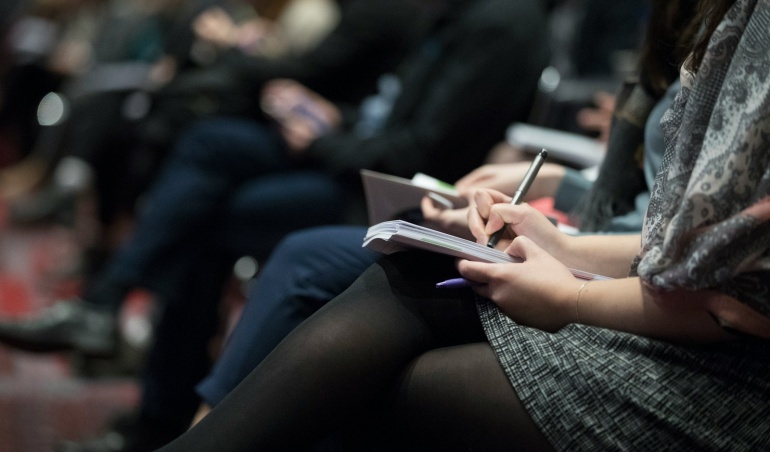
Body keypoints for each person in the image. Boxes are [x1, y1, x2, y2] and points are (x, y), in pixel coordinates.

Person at [157, 0, 770, 450]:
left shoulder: (503, 22)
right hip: (649, 287)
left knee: (358, 345)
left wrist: (575, 289)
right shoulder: (716, 22)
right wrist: (558, 237)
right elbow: (677, 246)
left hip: (724, 378)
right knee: (398, 268)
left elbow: (727, 299)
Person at [0, 0, 552, 450]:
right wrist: (333, 118)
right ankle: (135, 359)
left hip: (399, 196)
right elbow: (388, 110)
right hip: (358, 158)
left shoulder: (498, 23)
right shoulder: (452, 13)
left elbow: (418, 150)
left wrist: (322, 138)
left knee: (214, 214)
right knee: (207, 145)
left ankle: (165, 409)